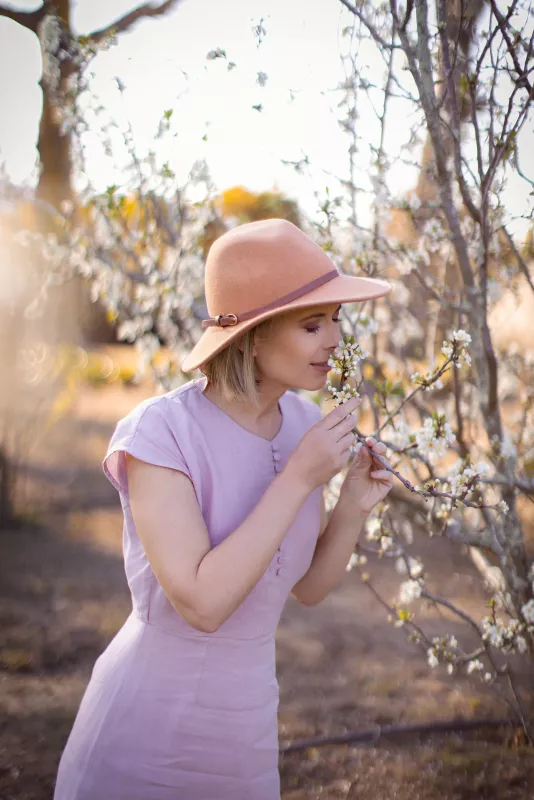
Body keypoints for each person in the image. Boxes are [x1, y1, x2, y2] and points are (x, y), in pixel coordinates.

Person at [53, 218, 393, 800]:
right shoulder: (161, 434)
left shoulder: (306, 429)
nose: (335, 340)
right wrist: (299, 478)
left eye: (336, 320)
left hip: (245, 736)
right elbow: (203, 605)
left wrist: (354, 505)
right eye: (313, 324)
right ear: (253, 336)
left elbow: (306, 588)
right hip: (143, 734)